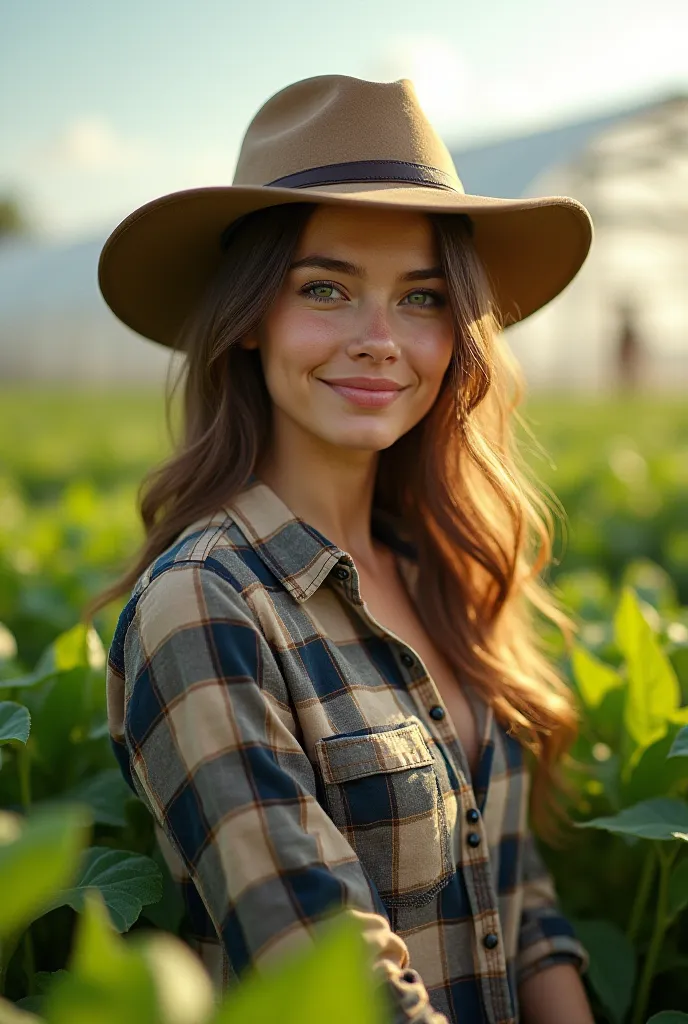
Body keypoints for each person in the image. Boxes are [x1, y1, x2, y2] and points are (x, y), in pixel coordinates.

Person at [93, 75, 596, 1024]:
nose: (380, 340)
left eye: (422, 297)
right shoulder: (207, 605)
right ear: (248, 318)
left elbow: (522, 905)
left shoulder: (440, 573)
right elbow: (333, 983)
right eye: (326, 288)